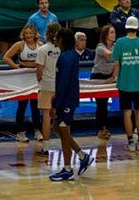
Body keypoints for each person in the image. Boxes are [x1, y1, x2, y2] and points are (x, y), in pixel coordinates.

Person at [48, 28, 93, 181]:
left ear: (62, 39)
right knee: (57, 128)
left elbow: (63, 83)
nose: (55, 40)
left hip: (67, 99)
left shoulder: (66, 57)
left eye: (57, 37)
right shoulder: (70, 54)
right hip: (68, 97)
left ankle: (67, 169)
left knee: (63, 131)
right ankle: (82, 156)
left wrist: (55, 103)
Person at [111, 16, 139, 151]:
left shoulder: (119, 43)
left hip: (124, 84)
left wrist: (113, 77)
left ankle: (130, 142)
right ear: (138, 28)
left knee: (127, 112)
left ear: (126, 27)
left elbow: (117, 64)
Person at [3, 24, 42, 142]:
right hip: (23, 76)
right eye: (26, 33)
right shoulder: (20, 45)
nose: (28, 35)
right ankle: (20, 132)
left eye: (30, 33)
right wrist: (16, 68)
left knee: (35, 105)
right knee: (22, 105)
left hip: (35, 75)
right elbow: (6, 57)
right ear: (23, 34)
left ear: (35, 34)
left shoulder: (40, 45)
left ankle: (37, 131)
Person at [35, 22, 63, 153]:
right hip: (60, 85)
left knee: (46, 115)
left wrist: (40, 81)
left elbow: (39, 71)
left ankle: (45, 148)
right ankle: (65, 143)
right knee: (60, 115)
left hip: (46, 84)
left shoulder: (42, 49)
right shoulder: (63, 49)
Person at [91, 25, 116, 140]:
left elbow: (117, 63)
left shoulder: (115, 47)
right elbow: (110, 55)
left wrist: (113, 76)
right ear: (106, 35)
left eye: (114, 32)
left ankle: (104, 127)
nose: (114, 34)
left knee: (105, 105)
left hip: (109, 76)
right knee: (100, 104)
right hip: (98, 76)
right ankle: (100, 129)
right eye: (111, 32)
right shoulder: (100, 47)